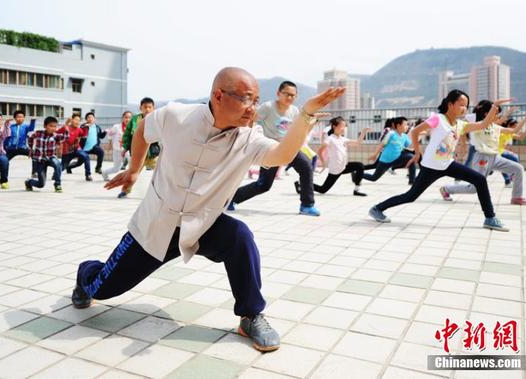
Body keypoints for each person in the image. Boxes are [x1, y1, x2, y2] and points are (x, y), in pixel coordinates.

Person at [71, 67, 345, 352]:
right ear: (218, 95)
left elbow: (283, 154)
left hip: (204, 224)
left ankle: (251, 315)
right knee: (104, 289)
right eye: (246, 100)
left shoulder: (248, 138)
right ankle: (85, 276)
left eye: (255, 101)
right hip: (156, 224)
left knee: (239, 235)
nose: (252, 109)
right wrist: (135, 168)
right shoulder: (176, 116)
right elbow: (143, 130)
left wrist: (307, 115)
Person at [368, 90, 511, 232]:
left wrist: (494, 107)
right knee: (411, 196)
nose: (464, 108)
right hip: (430, 167)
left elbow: (482, 125)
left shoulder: (460, 124)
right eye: (461, 104)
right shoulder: (438, 118)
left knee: (480, 180)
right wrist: (418, 152)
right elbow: (415, 131)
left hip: (447, 164)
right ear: (450, 104)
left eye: (466, 106)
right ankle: (377, 208)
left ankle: (490, 218)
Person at [228, 81, 321, 216]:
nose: (290, 98)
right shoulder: (268, 107)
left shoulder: (294, 111)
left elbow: (300, 130)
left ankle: (307, 205)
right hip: (270, 149)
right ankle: (232, 198)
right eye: (287, 94)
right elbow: (251, 119)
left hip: (288, 147)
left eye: (293, 95)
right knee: (263, 185)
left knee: (306, 167)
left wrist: (311, 121)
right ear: (278, 93)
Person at [440, 101, 526, 206]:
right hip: (482, 158)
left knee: (518, 168)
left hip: (495, 158)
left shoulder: (495, 127)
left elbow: (514, 131)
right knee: (473, 188)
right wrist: (494, 106)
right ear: (487, 113)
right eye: (496, 113)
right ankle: (446, 189)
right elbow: (469, 124)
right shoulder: (478, 125)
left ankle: (516, 197)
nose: (498, 116)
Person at [298, 116, 370, 196]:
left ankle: (357, 190)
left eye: (344, 127)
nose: (343, 129)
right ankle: (302, 184)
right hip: (335, 169)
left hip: (343, 167)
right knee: (323, 189)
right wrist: (323, 163)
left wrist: (363, 132)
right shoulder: (330, 139)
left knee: (360, 165)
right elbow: (320, 151)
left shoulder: (343, 139)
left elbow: (357, 143)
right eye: (342, 126)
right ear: (334, 126)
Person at [362, 117, 416, 184]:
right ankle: (358, 174)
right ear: (398, 125)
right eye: (406, 125)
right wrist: (375, 155)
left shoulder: (404, 136)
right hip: (386, 160)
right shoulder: (391, 134)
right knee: (374, 178)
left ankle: (412, 181)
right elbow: (381, 145)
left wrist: (416, 135)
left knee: (411, 157)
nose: (407, 127)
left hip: (397, 159)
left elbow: (410, 146)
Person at [25, 117, 68, 193]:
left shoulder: (56, 136)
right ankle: (29, 182)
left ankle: (57, 184)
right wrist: (31, 149)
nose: (53, 128)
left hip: (51, 157)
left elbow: (65, 137)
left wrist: (66, 129)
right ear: (45, 126)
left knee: (58, 164)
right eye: (51, 126)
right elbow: (30, 138)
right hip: (40, 160)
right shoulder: (38, 133)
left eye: (55, 126)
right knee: (41, 184)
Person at [0, 110, 36, 178]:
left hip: (22, 147)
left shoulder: (26, 127)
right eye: (18, 117)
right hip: (11, 149)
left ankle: (34, 173)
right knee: (4, 160)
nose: (20, 118)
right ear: (15, 118)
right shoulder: (11, 127)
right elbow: (6, 137)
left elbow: (31, 128)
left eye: (22, 117)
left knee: (35, 155)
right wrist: (4, 147)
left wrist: (33, 121)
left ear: (24, 118)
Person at [123, 98, 158, 172]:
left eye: (150, 107)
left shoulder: (157, 119)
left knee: (162, 173)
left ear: (153, 108)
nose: (147, 109)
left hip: (153, 154)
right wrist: (125, 147)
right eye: (145, 107)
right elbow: (127, 134)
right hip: (138, 155)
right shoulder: (134, 120)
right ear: (140, 108)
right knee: (132, 174)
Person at [499, 116, 526, 187]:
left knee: (513, 159)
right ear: (509, 125)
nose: (516, 128)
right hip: (497, 152)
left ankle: (510, 179)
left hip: (501, 151)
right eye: (514, 126)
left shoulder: (510, 133)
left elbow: (521, 137)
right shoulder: (504, 132)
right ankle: (509, 179)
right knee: (510, 161)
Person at [60, 114, 92, 181]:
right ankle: (56, 174)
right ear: (71, 120)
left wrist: (86, 127)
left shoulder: (79, 129)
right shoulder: (65, 127)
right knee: (62, 167)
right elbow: (56, 133)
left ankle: (88, 175)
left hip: (76, 149)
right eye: (76, 120)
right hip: (67, 151)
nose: (77, 122)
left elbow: (84, 135)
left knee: (86, 156)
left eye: (79, 120)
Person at [102, 111, 132, 181]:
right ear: (123, 118)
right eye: (126, 117)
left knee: (132, 162)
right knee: (116, 169)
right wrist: (109, 145)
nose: (127, 119)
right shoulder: (116, 127)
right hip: (117, 150)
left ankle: (130, 177)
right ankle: (105, 173)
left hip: (127, 150)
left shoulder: (132, 128)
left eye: (129, 118)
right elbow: (110, 134)